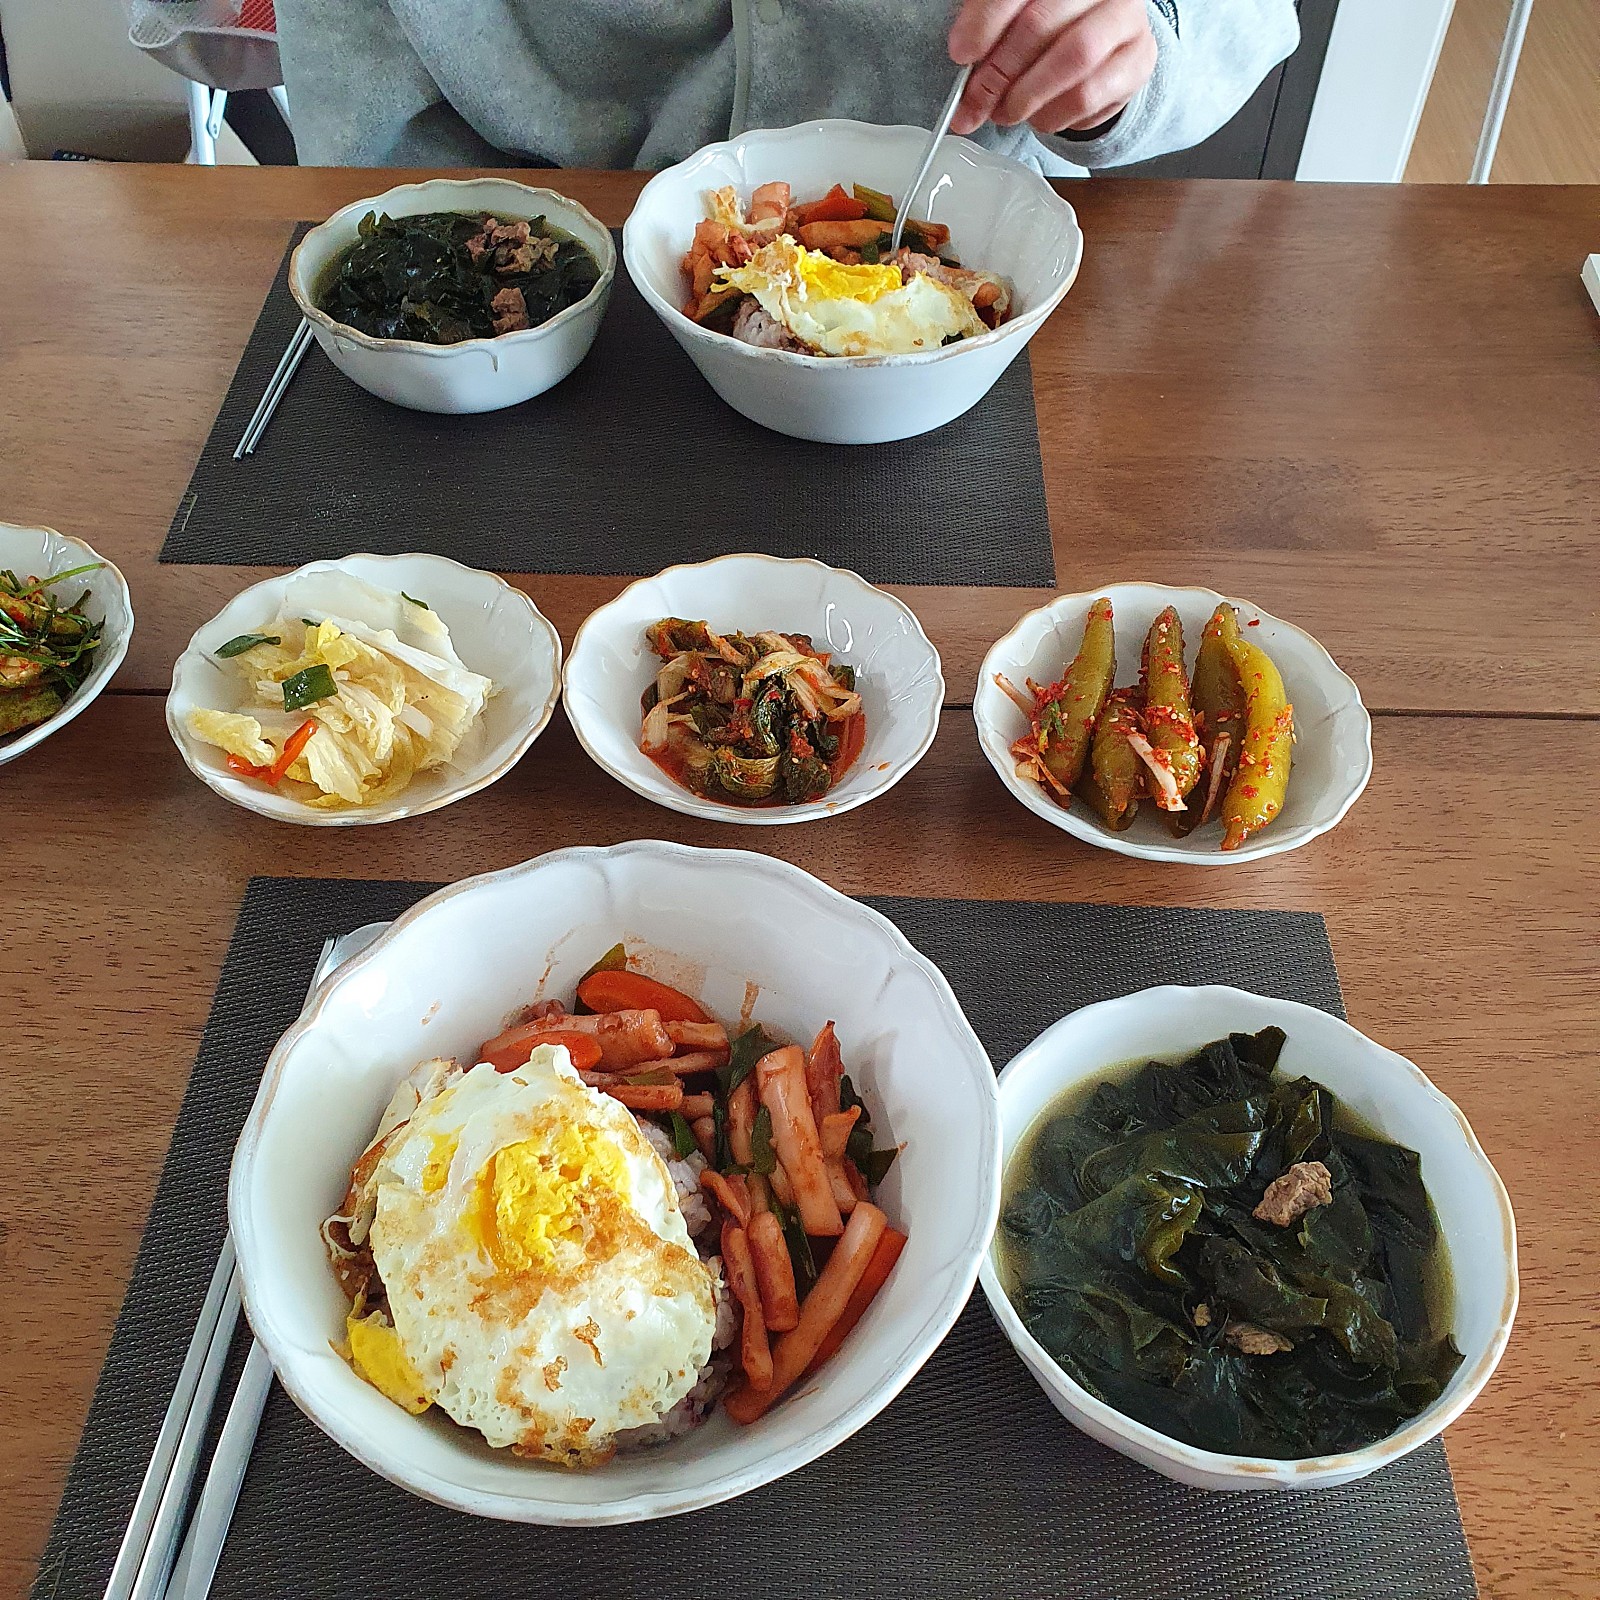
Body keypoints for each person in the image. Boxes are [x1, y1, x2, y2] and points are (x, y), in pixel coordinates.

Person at [275, 0, 1299, 174]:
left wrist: (1130, 54)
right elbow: (368, 169)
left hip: (974, 244)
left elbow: (1240, 19)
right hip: (550, 291)